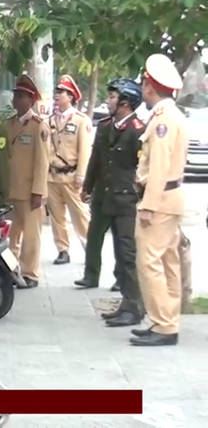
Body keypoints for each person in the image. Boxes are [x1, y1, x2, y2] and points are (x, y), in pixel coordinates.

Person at [78, 78, 147, 329]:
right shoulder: (106, 126)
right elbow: (96, 159)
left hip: (125, 200)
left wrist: (142, 196)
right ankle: (125, 304)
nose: (108, 101)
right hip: (105, 197)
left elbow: (144, 167)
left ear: (125, 103)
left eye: (112, 97)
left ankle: (134, 306)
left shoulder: (138, 130)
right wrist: (87, 186)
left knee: (127, 254)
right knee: (114, 247)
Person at [131, 54, 188, 347]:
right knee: (168, 263)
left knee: (149, 263)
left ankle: (163, 325)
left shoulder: (164, 119)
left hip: (160, 199)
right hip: (170, 198)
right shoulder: (171, 115)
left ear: (149, 87)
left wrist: (148, 206)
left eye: (144, 84)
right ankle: (166, 322)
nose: (142, 89)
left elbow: (159, 166)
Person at [6, 75, 50, 289]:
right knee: (11, 234)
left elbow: (42, 162)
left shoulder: (38, 126)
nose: (15, 99)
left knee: (31, 236)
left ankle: (30, 273)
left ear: (31, 100)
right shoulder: (9, 124)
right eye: (15, 95)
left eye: (21, 96)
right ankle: (12, 270)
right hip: (12, 189)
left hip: (30, 191)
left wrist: (38, 192)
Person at [46, 75, 92, 265]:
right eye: (56, 92)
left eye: (61, 92)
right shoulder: (50, 120)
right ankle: (62, 250)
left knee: (80, 215)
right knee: (57, 218)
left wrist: (81, 175)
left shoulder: (81, 120)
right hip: (52, 176)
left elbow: (85, 150)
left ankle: (90, 248)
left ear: (71, 96)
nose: (57, 95)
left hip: (72, 176)